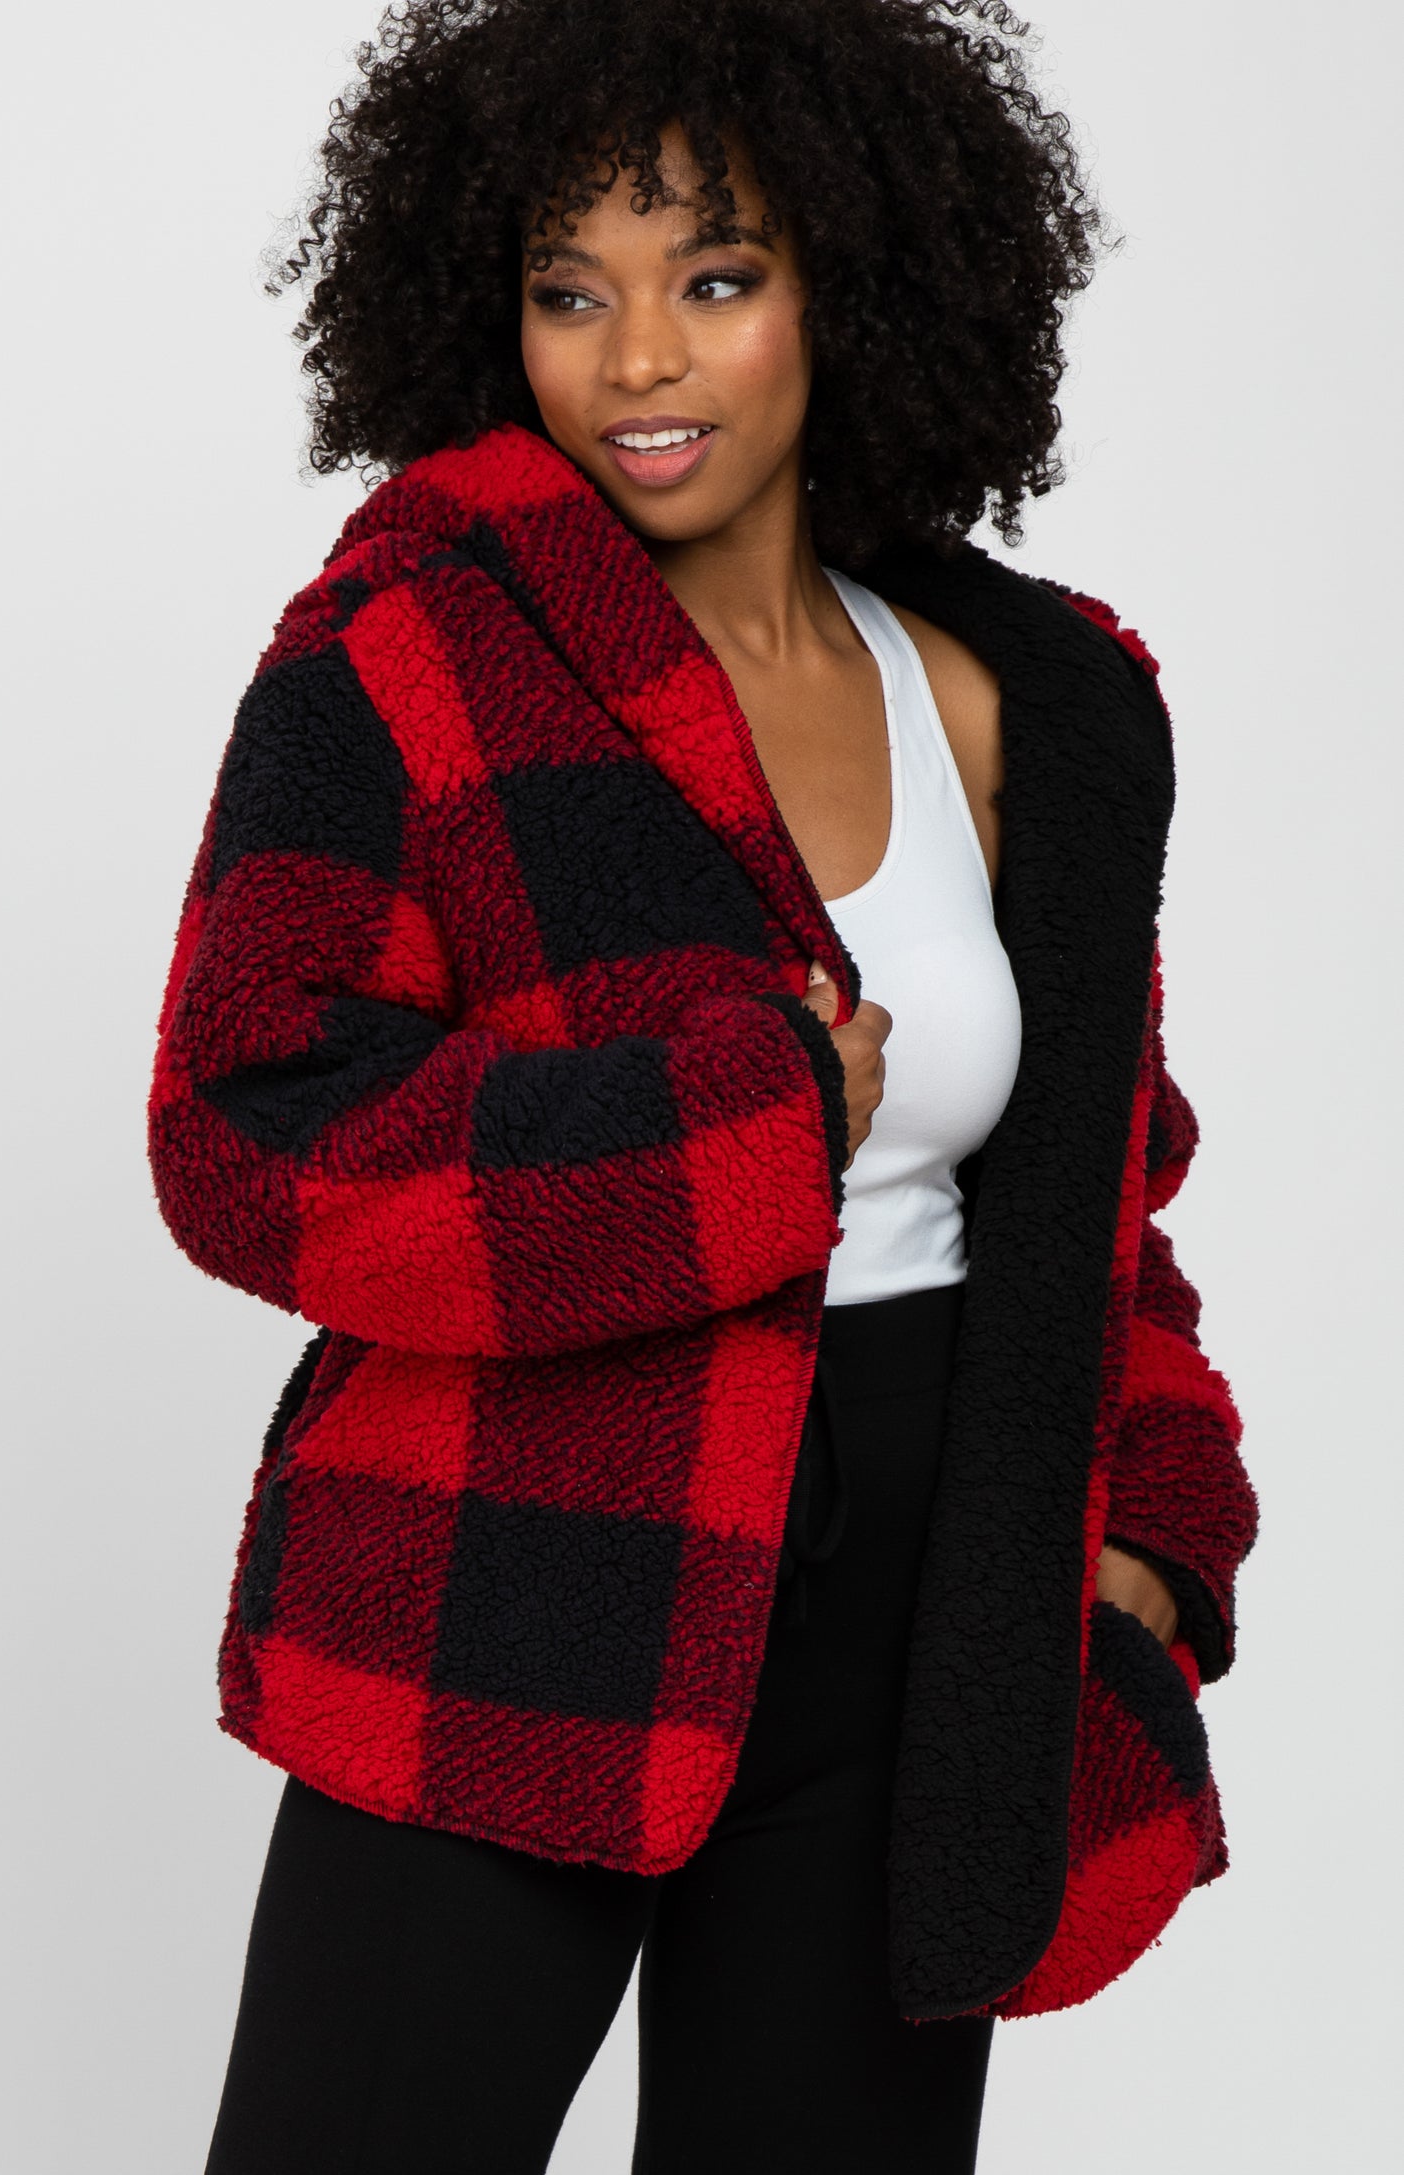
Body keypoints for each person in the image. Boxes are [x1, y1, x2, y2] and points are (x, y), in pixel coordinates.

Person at [148, 2, 1259, 2168]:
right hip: (514, 1578)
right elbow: (246, 1128)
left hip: (922, 1617)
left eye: (715, 278)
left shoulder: (1022, 702)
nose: (637, 359)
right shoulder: (405, 656)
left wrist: (1143, 1535)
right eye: (569, 291)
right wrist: (731, 1139)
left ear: (852, 284)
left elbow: (1098, 1190)